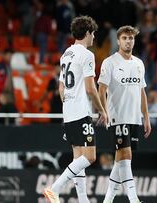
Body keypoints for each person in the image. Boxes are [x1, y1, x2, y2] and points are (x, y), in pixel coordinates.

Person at [43, 16, 108, 203]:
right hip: (80, 111)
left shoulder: (66, 54)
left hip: (68, 111)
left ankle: (83, 200)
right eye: (93, 33)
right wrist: (101, 109)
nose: (94, 37)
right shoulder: (87, 55)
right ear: (87, 33)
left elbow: (61, 88)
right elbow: (90, 87)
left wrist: (69, 104)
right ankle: (54, 188)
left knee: (78, 157)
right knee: (90, 157)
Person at [98, 25, 152, 203]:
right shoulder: (110, 62)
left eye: (131, 38)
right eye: (125, 38)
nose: (128, 41)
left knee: (121, 159)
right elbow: (102, 90)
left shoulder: (138, 63)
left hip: (134, 117)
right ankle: (133, 197)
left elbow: (142, 92)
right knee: (125, 154)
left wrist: (146, 116)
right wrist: (104, 111)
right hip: (117, 116)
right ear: (119, 40)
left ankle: (108, 199)